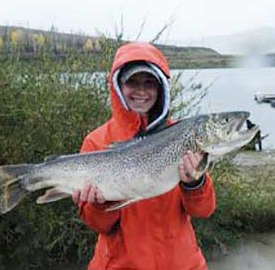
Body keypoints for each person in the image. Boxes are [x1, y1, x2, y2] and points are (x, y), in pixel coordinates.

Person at [72, 42, 216, 270]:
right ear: (118, 86)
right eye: (132, 82)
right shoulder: (97, 142)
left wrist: (194, 183)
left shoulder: (182, 135)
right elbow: (98, 225)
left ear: (160, 90)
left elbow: (203, 210)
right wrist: (99, 206)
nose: (141, 91)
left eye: (149, 83)